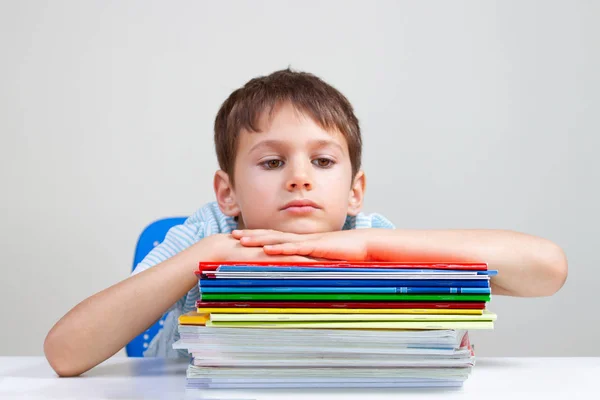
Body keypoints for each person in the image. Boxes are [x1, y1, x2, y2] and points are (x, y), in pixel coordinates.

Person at [44, 68, 568, 377]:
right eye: (272, 163)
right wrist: (204, 260)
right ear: (227, 192)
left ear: (355, 190)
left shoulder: (369, 234)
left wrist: (370, 247)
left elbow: (547, 269)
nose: (299, 178)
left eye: (322, 162)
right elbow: (65, 355)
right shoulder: (205, 232)